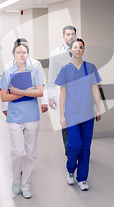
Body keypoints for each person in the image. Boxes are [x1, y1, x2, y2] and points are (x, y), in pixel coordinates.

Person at [0, 42, 44, 199]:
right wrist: (25, 92)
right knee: (18, 152)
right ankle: (16, 180)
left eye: (24, 52)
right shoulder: (8, 72)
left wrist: (16, 91)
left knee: (31, 153)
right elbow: (4, 96)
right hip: (15, 117)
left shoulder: (34, 71)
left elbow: (39, 92)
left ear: (27, 55)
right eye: (18, 52)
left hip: (32, 116)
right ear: (13, 55)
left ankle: (25, 185)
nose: (22, 54)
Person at [55, 38, 102, 191]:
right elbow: (62, 94)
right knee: (75, 145)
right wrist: (62, 115)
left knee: (86, 147)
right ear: (70, 50)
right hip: (72, 114)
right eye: (75, 47)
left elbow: (95, 89)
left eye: (80, 47)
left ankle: (82, 178)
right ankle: (70, 169)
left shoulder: (90, 67)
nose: (78, 49)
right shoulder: (65, 69)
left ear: (83, 50)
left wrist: (99, 109)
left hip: (88, 113)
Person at [47, 26, 77, 156]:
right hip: (62, 93)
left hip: (79, 93)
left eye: (72, 34)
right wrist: (51, 97)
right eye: (68, 34)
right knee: (65, 123)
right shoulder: (55, 53)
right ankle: (68, 151)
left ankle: (78, 149)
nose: (70, 36)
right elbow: (52, 76)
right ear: (63, 36)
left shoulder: (81, 50)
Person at [2, 38, 48, 116]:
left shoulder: (36, 64)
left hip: (32, 100)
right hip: (14, 101)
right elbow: (4, 87)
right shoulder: (8, 66)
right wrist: (4, 107)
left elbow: (43, 83)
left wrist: (44, 101)